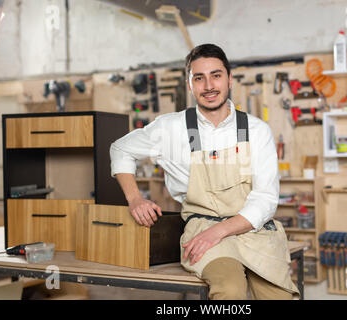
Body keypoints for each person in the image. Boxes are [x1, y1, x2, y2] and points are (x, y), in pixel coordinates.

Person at [110, 43, 299, 300]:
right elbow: (120, 149)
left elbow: (265, 199)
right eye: (199, 78)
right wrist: (134, 199)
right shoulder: (170, 128)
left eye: (216, 75)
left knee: (279, 297)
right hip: (202, 233)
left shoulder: (257, 131)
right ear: (190, 84)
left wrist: (220, 231)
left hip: (254, 232)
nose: (208, 86)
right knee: (230, 291)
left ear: (230, 79)